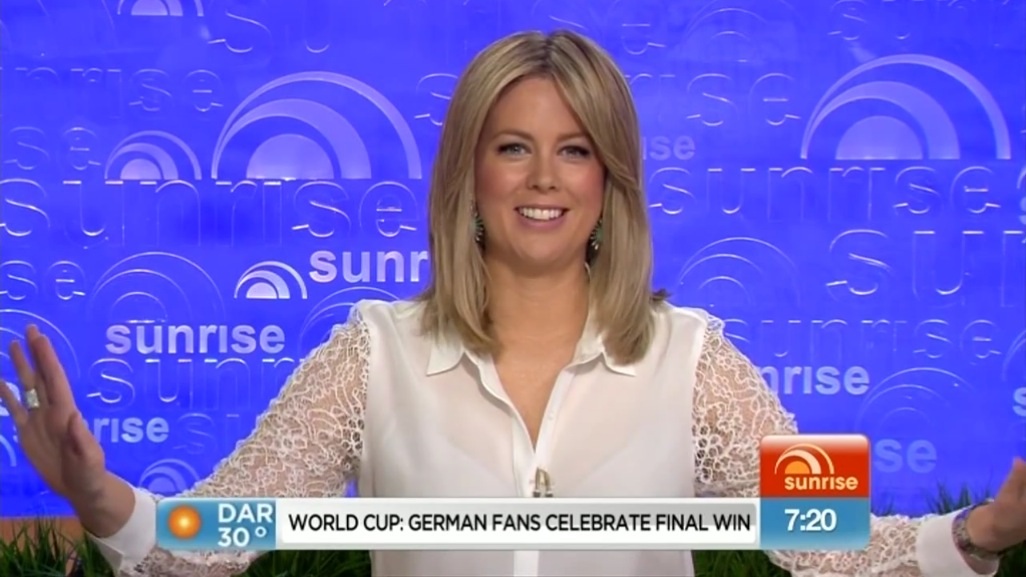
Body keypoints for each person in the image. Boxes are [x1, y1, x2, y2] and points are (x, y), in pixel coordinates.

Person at [1, 29, 1024, 577]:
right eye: (513, 147)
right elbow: (213, 536)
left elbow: (833, 544)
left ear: (610, 181)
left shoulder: (695, 360)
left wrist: (979, 532)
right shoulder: (372, 354)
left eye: (575, 149)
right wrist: (99, 498)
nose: (544, 178)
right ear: (470, 175)